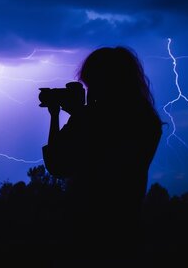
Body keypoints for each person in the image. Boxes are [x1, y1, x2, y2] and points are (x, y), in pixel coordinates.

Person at [42, 46, 162, 263]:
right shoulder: (90, 118)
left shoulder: (139, 123)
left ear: (112, 83)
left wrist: (81, 117)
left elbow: (110, 170)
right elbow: (56, 163)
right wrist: (55, 116)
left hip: (114, 236)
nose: (90, 92)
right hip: (83, 233)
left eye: (93, 84)